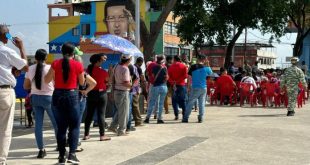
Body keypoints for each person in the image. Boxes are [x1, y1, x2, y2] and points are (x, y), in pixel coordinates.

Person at [45, 42, 85, 164]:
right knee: (74, 126)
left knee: (61, 128)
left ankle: (61, 156)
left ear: (62, 52)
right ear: (73, 53)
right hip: (72, 95)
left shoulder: (55, 63)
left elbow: (46, 80)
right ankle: (72, 155)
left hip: (57, 95)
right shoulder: (77, 65)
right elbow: (82, 82)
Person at [0, 24, 28, 164]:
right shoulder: (6, 51)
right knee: (4, 129)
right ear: (6, 36)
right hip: (3, 91)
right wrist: (21, 46)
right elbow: (25, 67)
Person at [23, 49, 58, 159]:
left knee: (38, 124)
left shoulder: (30, 69)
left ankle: (41, 150)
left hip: (35, 98)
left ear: (36, 58)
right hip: (49, 97)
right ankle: (60, 145)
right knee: (56, 123)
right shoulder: (50, 68)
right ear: (46, 58)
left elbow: (25, 86)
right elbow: (56, 83)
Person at [83, 54, 111, 141]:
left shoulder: (88, 70)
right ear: (97, 61)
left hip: (91, 94)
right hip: (101, 94)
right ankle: (102, 135)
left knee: (89, 115)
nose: (103, 61)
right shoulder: (103, 72)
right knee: (101, 115)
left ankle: (86, 134)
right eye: (101, 60)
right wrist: (110, 72)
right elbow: (107, 82)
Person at [182, 55, 212, 123]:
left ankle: (186, 117)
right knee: (201, 103)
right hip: (204, 88)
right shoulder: (207, 68)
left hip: (195, 87)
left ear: (198, 59)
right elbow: (211, 75)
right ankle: (200, 117)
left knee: (190, 103)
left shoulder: (193, 66)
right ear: (204, 60)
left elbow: (189, 77)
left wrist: (188, 87)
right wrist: (208, 65)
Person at [109, 54, 132, 136]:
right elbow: (126, 82)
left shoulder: (116, 66)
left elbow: (113, 80)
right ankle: (122, 130)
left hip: (116, 91)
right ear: (129, 60)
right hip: (123, 91)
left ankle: (113, 126)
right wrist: (132, 85)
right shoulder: (125, 69)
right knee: (124, 112)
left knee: (120, 111)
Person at [144, 55, 168, 124]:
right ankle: (159, 118)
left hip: (155, 86)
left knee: (152, 102)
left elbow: (151, 76)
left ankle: (147, 118)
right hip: (163, 86)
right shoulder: (164, 67)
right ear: (163, 59)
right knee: (161, 103)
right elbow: (166, 77)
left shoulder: (153, 67)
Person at [168, 55, 188, 120]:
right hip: (181, 84)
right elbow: (185, 76)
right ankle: (184, 114)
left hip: (173, 85)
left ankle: (176, 115)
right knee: (183, 100)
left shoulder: (171, 67)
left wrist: (173, 82)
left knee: (174, 101)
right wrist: (178, 81)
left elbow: (169, 77)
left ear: (174, 59)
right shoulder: (183, 66)